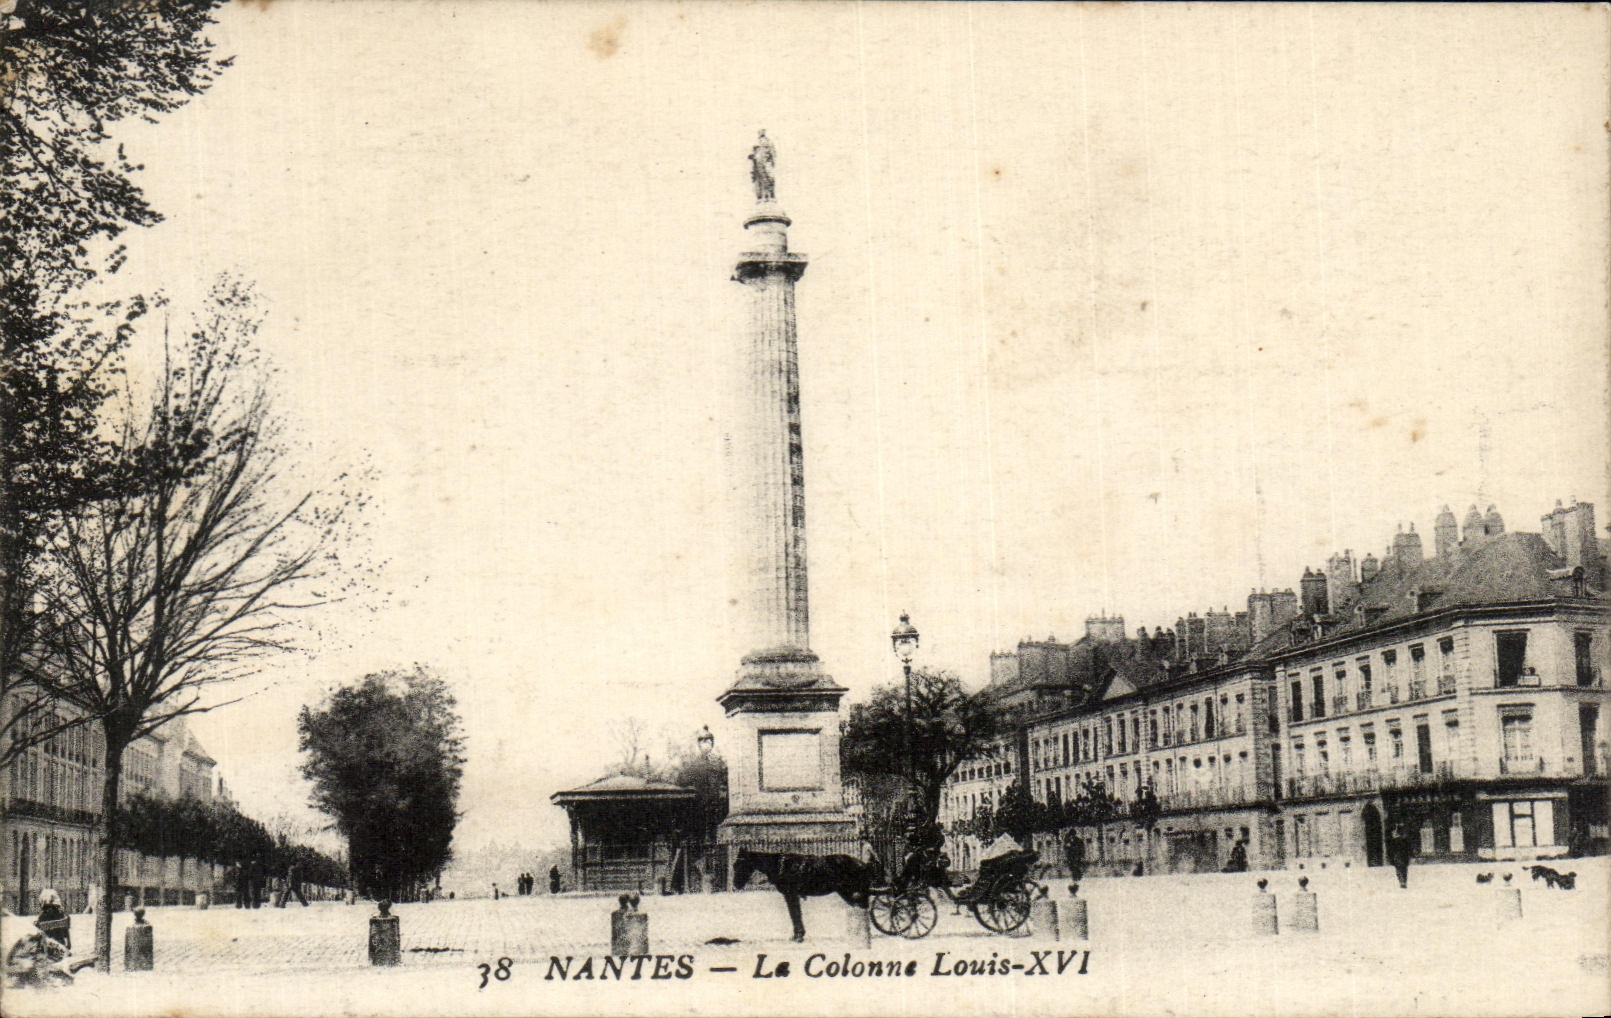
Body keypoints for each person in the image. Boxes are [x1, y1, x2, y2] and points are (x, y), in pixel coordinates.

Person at [1386, 823, 1413, 888]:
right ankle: (1403, 882)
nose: (1393, 834)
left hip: (1399, 856)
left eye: (1394, 833)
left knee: (1399, 869)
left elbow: (1390, 850)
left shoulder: (1395, 841)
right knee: (1403, 869)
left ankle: (1402, 882)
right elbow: (1409, 848)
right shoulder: (1403, 840)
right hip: (1402, 856)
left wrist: (1390, 856)